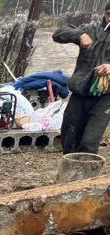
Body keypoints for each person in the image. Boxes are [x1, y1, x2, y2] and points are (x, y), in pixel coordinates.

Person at [54, 5, 110, 156]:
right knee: (69, 137)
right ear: (104, 13)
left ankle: (86, 175)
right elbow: (58, 34)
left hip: (105, 98)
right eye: (109, 14)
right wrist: (79, 34)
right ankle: (70, 176)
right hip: (80, 92)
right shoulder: (90, 29)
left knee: (89, 142)